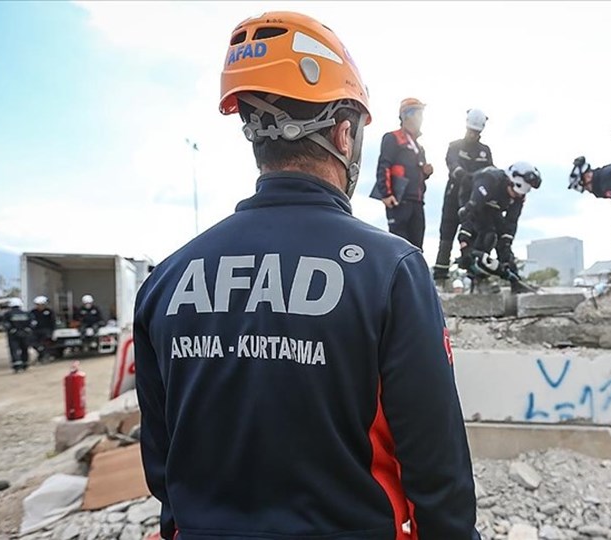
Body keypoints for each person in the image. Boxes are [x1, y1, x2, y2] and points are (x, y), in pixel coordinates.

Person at [133, 11, 479, 540]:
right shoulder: (392, 271)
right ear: (345, 134)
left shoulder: (166, 280)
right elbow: (437, 470)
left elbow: (163, 466)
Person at [456, 162, 542, 293]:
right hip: (470, 201)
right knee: (487, 236)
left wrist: (506, 251)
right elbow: (469, 214)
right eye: (513, 192)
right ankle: (479, 279)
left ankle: (516, 281)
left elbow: (511, 223)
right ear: (509, 181)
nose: (515, 196)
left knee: (503, 241)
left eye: (519, 195)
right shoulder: (489, 181)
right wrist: (464, 241)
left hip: (492, 208)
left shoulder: (519, 196)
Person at [433, 109, 494, 285]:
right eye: (470, 131)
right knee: (447, 236)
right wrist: (462, 175)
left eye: (476, 132)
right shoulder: (455, 146)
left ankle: (477, 278)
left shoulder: (485, 151)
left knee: (473, 238)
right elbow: (452, 163)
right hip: (453, 196)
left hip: (475, 200)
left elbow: (490, 172)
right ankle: (440, 279)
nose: (472, 135)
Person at [371, 98, 434, 249]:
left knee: (416, 248)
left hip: (417, 202)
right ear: (408, 115)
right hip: (399, 201)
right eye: (419, 114)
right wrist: (386, 194)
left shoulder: (420, 147)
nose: (422, 119)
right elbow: (384, 165)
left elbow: (418, 174)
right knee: (399, 246)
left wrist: (426, 172)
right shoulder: (392, 138)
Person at [3, 298, 31, 373]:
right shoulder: (26, 313)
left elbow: (5, 324)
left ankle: (17, 366)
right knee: (24, 349)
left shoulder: (7, 314)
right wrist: (27, 330)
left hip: (13, 335)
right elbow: (32, 323)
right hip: (24, 334)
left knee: (14, 350)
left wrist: (12, 330)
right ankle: (25, 363)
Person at [30, 296, 56, 362]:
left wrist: (52, 331)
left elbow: (53, 322)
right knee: (34, 344)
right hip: (36, 331)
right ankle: (41, 354)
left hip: (47, 330)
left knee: (46, 344)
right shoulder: (33, 312)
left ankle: (45, 356)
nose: (39, 306)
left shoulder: (49, 312)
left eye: (41, 305)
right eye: (38, 305)